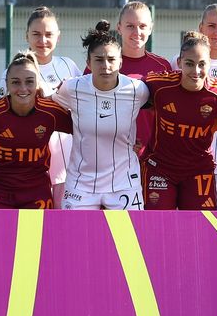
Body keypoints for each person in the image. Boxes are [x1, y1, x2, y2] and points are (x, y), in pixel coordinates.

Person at [53, 21, 150, 210]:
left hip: (124, 183)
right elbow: (48, 103)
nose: (106, 65)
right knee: (76, 238)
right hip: (81, 184)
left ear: (120, 62)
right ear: (88, 63)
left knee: (129, 238)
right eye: (98, 60)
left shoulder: (137, 90)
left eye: (111, 60)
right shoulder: (71, 88)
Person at [141, 32, 217, 210]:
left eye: (202, 64)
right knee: (156, 226)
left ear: (210, 64)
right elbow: (126, 90)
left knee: (200, 228)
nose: (196, 71)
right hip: (160, 169)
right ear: (179, 63)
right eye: (189, 64)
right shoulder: (159, 84)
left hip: (199, 170)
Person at [0, 6, 81, 204]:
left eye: (48, 34)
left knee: (63, 226)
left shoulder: (68, 65)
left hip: (66, 166)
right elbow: (1, 115)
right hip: (28, 169)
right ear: (26, 35)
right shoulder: (12, 72)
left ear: (58, 37)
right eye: (36, 34)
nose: (42, 41)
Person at [0, 51, 72, 209]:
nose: (23, 88)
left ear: (37, 83)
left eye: (29, 81)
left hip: (37, 192)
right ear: (7, 84)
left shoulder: (50, 112)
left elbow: (85, 129)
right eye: (15, 82)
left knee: (38, 234)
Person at [106, 1, 173, 156]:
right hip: (112, 153)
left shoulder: (162, 67)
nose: (136, 31)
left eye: (142, 26)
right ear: (119, 28)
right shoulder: (103, 64)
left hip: (152, 156)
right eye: (130, 26)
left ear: (150, 28)